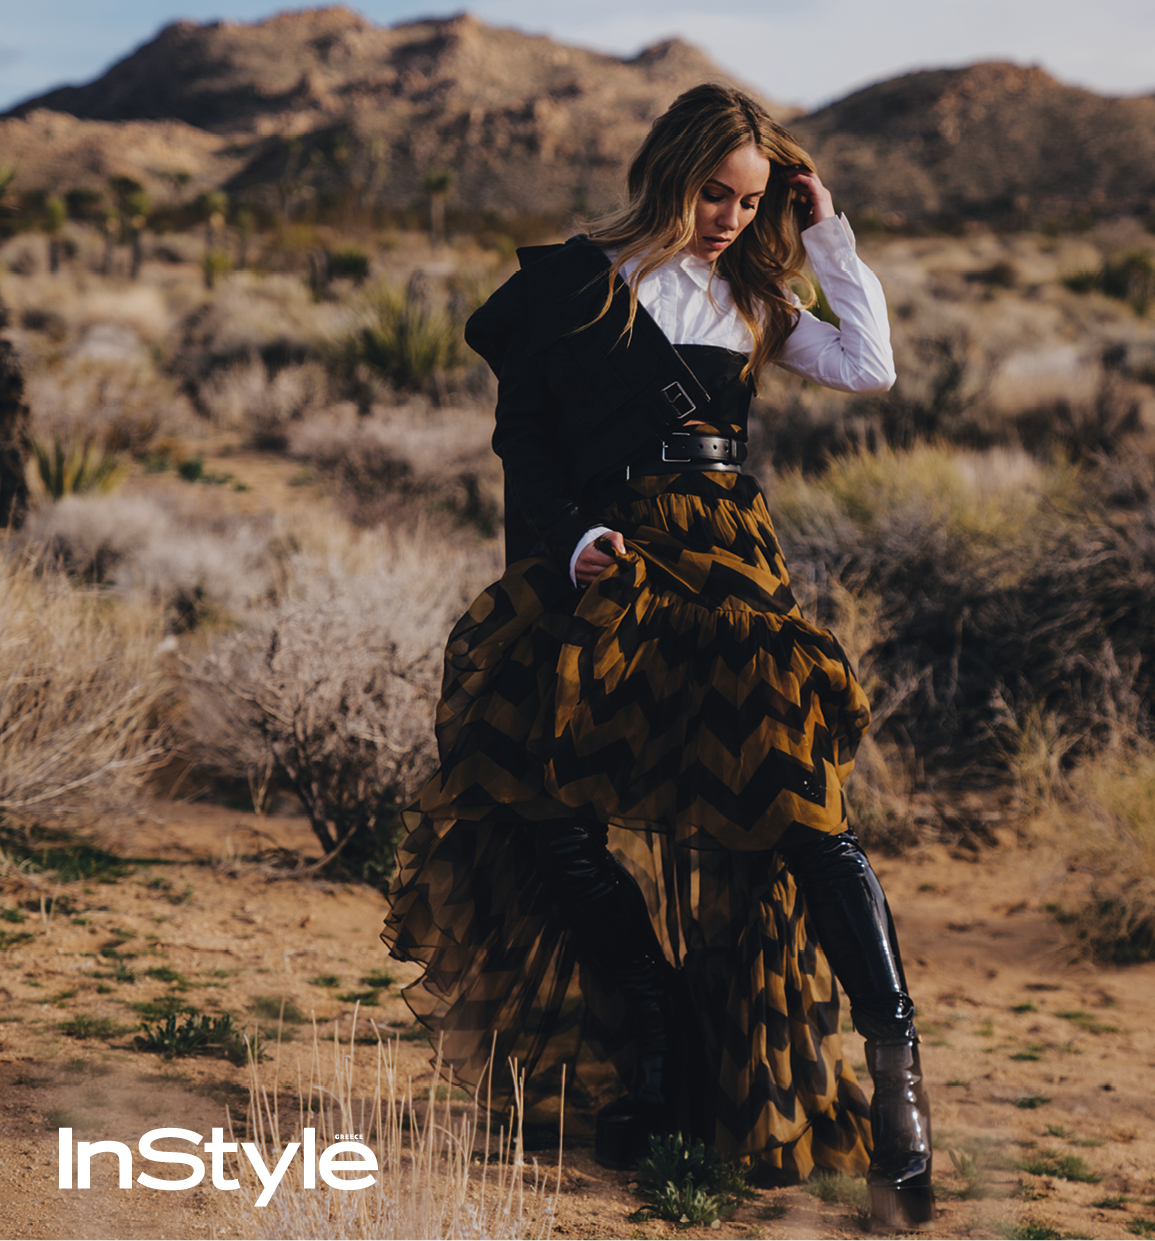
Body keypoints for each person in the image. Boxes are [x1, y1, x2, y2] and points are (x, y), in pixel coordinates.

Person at [383, 83, 933, 1229]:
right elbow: (524, 442)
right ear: (666, 174)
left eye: (750, 200)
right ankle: (651, 1037)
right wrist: (571, 540)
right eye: (712, 193)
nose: (729, 218)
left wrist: (824, 230)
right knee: (542, 804)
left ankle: (898, 1087)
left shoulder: (754, 295)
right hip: (608, 560)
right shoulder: (571, 285)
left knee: (800, 804)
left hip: (730, 566)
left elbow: (868, 365)